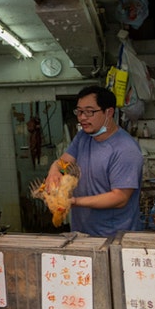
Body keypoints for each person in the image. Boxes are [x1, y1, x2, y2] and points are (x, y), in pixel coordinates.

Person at [45, 85, 144, 237]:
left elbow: (120, 198)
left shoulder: (125, 149)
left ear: (109, 112)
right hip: (83, 232)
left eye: (89, 112)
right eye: (79, 111)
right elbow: (64, 162)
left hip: (113, 237)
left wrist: (73, 201)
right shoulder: (83, 136)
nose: (82, 117)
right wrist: (54, 170)